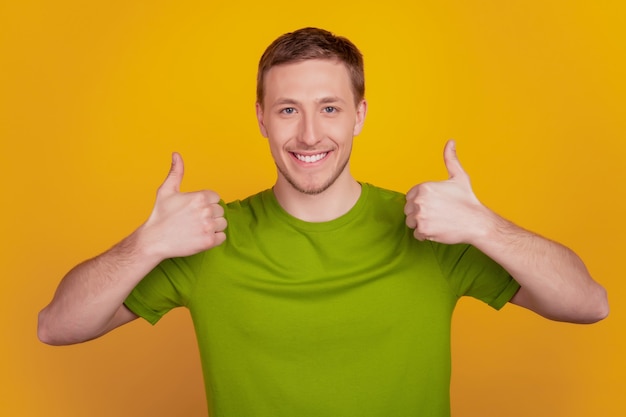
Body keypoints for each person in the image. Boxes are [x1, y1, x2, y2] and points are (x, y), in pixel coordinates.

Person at [38, 27, 608, 416]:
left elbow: (587, 304)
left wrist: (486, 226)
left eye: (329, 108)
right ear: (261, 118)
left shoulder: (431, 229)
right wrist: (146, 245)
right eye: (288, 109)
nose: (309, 135)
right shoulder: (208, 238)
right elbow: (57, 326)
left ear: (359, 114)